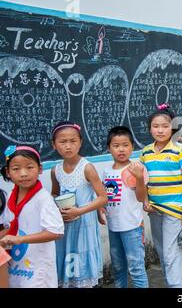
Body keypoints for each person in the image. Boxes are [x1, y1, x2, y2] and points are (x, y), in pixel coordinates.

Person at [136, 103, 182, 288]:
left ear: (173, 127)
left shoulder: (181, 150)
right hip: (154, 210)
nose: (160, 130)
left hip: (174, 210)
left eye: (165, 126)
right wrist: (145, 202)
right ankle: (172, 284)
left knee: (172, 255)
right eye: (155, 126)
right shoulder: (145, 152)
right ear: (149, 128)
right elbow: (142, 180)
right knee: (162, 253)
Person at [51, 121, 108, 288]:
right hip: (66, 225)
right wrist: (57, 206)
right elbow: (55, 193)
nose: (68, 146)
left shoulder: (87, 168)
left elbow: (103, 197)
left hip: (85, 224)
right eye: (63, 142)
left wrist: (79, 211)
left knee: (83, 261)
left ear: (80, 142)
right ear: (54, 145)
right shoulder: (56, 170)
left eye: (73, 141)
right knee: (69, 260)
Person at [0, 145, 64, 287]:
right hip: (17, 264)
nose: (23, 173)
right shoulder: (10, 195)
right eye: (16, 169)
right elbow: (9, 225)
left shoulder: (42, 199)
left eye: (29, 167)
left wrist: (19, 239)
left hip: (38, 266)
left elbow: (56, 232)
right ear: (8, 172)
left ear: (40, 169)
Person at [102, 126, 148, 288]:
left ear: (132, 147)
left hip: (132, 227)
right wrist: (100, 210)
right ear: (109, 148)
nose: (121, 149)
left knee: (136, 268)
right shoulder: (106, 171)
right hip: (113, 227)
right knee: (118, 267)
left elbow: (141, 197)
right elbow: (104, 197)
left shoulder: (136, 169)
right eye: (116, 145)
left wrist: (139, 178)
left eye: (125, 145)